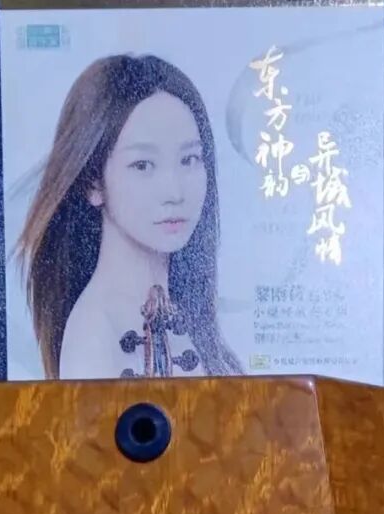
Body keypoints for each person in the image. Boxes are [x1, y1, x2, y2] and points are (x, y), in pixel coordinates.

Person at [18, 54, 241, 380]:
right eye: (143, 165)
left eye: (189, 159)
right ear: (93, 183)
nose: (175, 192)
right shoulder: (95, 334)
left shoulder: (185, 312)